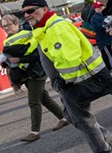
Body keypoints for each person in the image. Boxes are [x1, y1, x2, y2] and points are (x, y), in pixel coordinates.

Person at [21, 0, 112, 153]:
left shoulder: (55, 27)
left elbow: (69, 56)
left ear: (44, 9)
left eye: (31, 10)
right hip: (70, 82)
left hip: (74, 81)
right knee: (74, 117)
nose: (27, 15)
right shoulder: (44, 27)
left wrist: (65, 80)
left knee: (83, 119)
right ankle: (109, 139)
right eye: (24, 13)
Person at [1, 14, 68, 142]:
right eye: (4, 26)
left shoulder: (28, 34)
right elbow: (9, 60)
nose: (6, 28)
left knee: (34, 102)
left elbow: (38, 54)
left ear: (16, 23)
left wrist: (19, 59)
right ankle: (65, 118)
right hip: (26, 74)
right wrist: (6, 62)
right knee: (44, 99)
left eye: (8, 25)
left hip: (36, 72)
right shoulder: (7, 41)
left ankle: (35, 132)